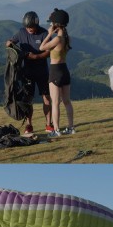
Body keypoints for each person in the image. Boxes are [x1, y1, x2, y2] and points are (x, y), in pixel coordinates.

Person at [5, 11, 53, 134]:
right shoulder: (21, 32)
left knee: (46, 98)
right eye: (27, 27)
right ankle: (29, 125)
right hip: (27, 72)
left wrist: (37, 57)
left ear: (36, 24)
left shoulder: (44, 33)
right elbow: (11, 41)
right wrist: (9, 43)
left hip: (42, 71)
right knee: (28, 100)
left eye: (31, 27)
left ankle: (49, 124)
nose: (29, 29)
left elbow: (49, 51)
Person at [39, 8, 74, 137]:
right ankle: (71, 127)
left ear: (56, 24)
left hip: (55, 71)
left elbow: (41, 48)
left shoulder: (57, 39)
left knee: (55, 102)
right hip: (65, 70)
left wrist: (49, 34)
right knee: (67, 101)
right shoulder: (67, 38)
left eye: (52, 23)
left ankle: (57, 130)